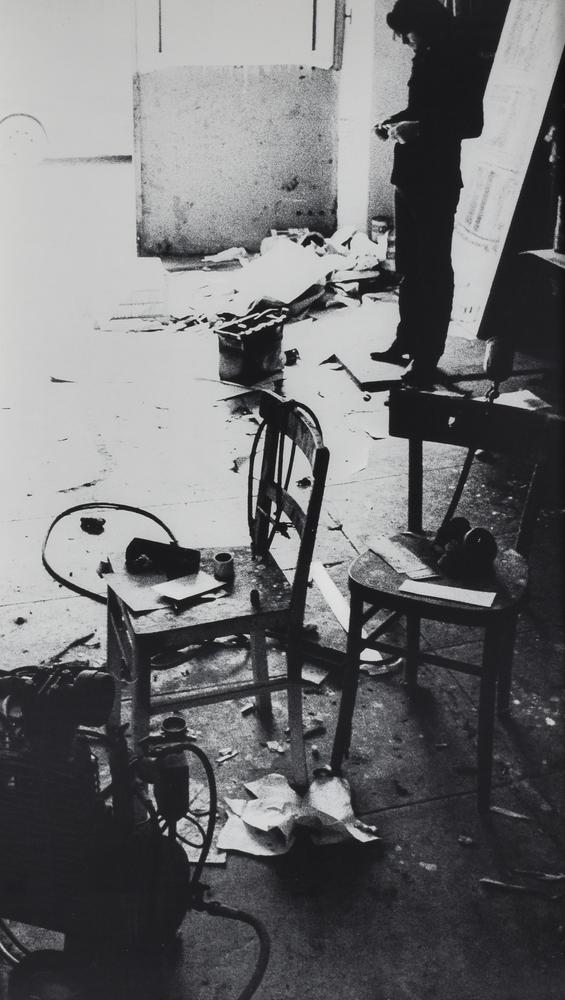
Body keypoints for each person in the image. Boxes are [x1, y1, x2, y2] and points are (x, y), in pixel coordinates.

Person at [372, 0, 484, 387]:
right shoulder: (426, 56)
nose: (404, 41)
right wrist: (393, 121)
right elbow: (421, 109)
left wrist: (419, 129)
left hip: (436, 180)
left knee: (433, 268)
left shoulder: (460, 59)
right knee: (410, 265)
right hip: (409, 175)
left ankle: (426, 356)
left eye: (407, 33)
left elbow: (471, 123)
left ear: (425, 26)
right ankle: (406, 340)